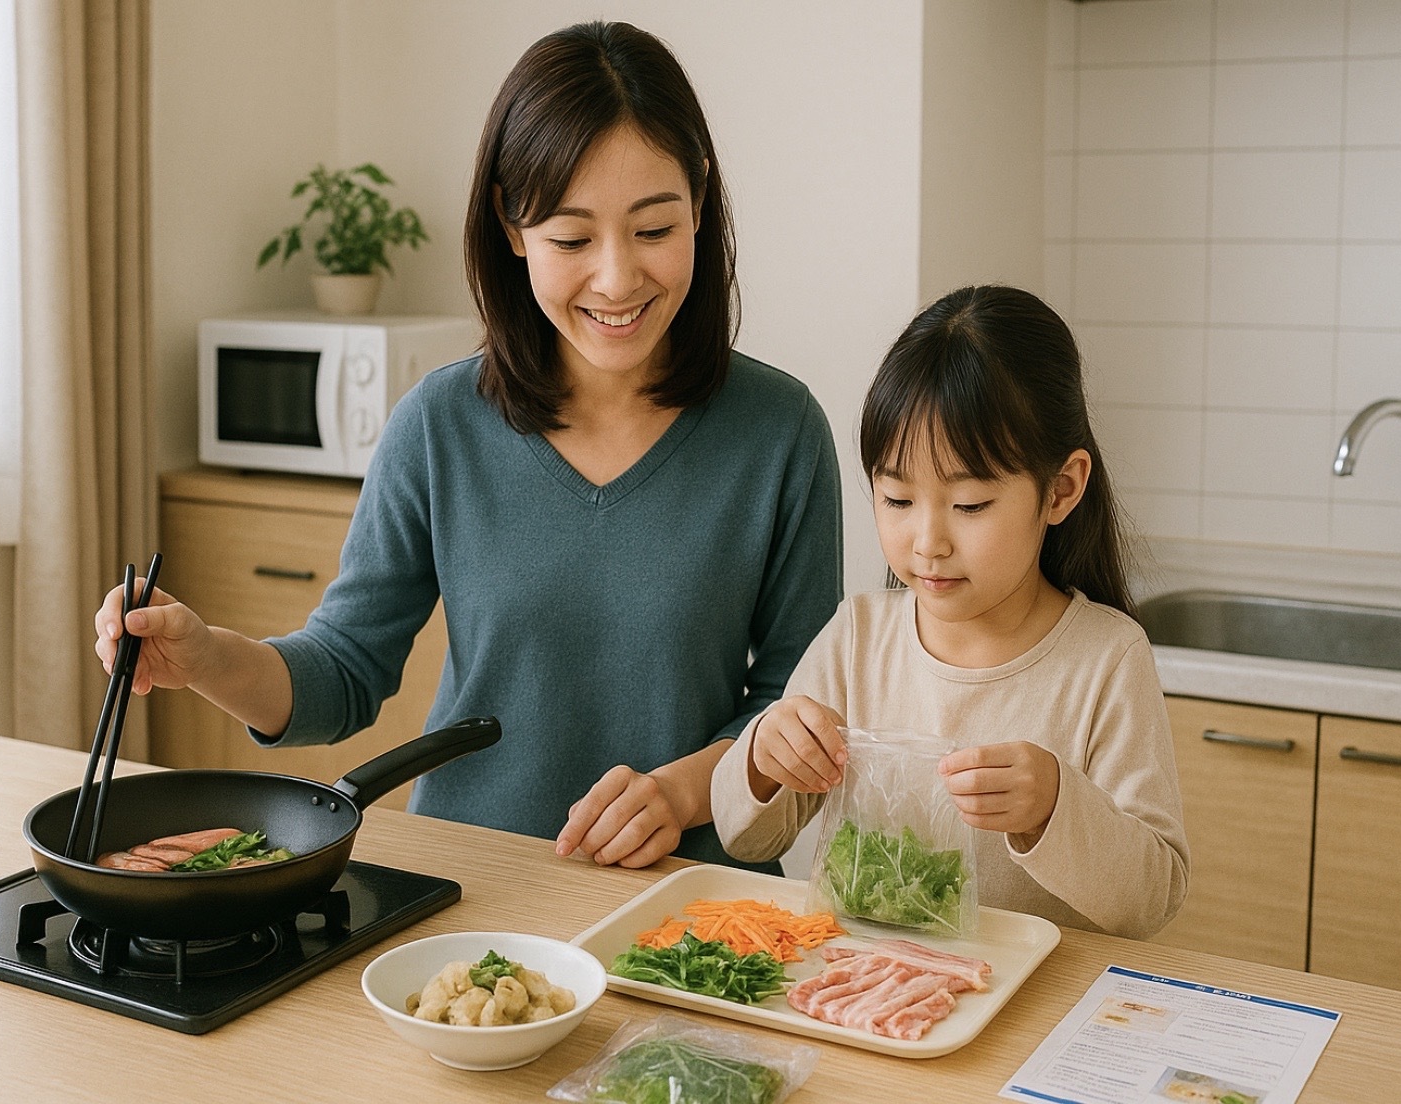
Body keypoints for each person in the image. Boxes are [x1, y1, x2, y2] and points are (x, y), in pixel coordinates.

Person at [95, 22, 842, 870]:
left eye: (654, 229)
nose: (617, 277)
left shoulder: (781, 433)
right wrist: (204, 657)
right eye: (570, 238)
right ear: (512, 225)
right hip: (469, 890)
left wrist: (678, 793)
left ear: (700, 203)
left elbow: (799, 707)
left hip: (691, 916)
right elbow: (343, 670)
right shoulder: (438, 424)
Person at [709, 285, 1188, 938]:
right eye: (898, 500)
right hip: (866, 994)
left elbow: (1151, 899)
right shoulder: (859, 638)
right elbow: (744, 837)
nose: (928, 542)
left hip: (1032, 1009)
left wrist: (1053, 804)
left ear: (1061, 489)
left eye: (969, 506)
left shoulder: (1106, 659)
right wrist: (764, 756)